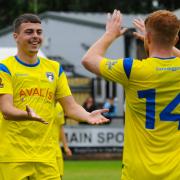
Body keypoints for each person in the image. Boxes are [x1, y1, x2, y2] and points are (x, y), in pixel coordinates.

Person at [0, 13, 109, 180]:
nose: (35, 36)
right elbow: (6, 109)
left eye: (39, 32)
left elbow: (71, 107)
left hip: (46, 156)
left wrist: (87, 115)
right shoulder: (5, 68)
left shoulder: (54, 68)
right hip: (13, 155)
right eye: (29, 32)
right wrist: (27, 115)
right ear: (16, 37)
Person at [82, 9, 180, 180]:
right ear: (176, 40)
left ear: (148, 38)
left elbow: (89, 59)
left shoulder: (133, 70)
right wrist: (164, 41)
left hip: (138, 171)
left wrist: (110, 35)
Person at [54, 103, 72, 179]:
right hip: (42, 149)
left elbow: (60, 128)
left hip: (56, 148)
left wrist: (66, 147)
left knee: (59, 176)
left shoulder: (59, 107)